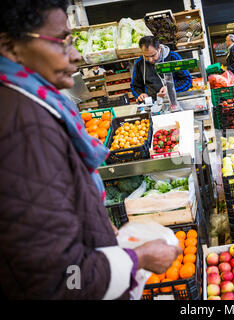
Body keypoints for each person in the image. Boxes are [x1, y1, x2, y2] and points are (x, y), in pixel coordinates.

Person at [0, 0, 182, 299]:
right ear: (10, 47)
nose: (76, 55)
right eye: (61, 42)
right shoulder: (24, 127)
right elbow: (60, 279)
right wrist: (138, 259)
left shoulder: (31, 107)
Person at [130, 36, 192, 103]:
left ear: (159, 48)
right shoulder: (139, 62)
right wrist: (140, 94)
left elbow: (187, 80)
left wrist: (170, 89)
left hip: (175, 101)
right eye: (146, 56)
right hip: (152, 104)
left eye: (153, 55)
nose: (150, 60)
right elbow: (135, 86)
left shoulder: (173, 57)